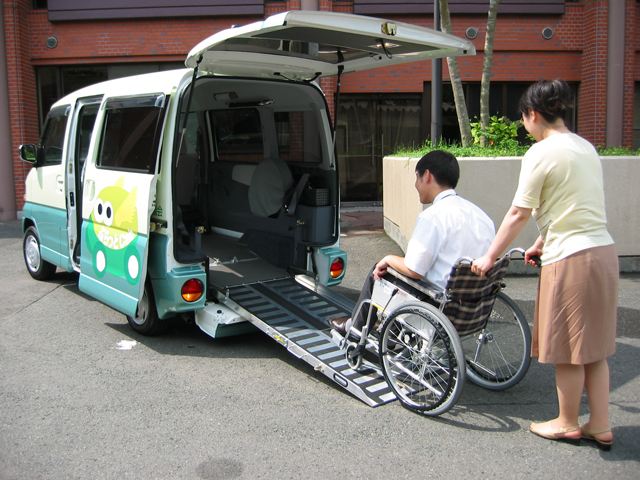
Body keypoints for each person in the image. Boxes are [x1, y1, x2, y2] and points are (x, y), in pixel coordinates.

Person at [471, 79, 618, 450]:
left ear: (533, 115)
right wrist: (540, 242)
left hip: (571, 259)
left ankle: (567, 422)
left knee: (568, 348)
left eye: (525, 121)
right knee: (594, 348)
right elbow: (572, 207)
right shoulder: (586, 148)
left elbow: (519, 212)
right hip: (602, 253)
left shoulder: (542, 152)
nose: (525, 128)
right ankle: (599, 424)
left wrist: (489, 256)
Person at [330, 149, 495, 335]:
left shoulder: (432, 217)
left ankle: (355, 328)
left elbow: (414, 270)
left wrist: (388, 258)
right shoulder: (482, 216)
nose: (416, 185)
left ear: (427, 175)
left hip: (436, 305)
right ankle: (387, 328)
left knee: (380, 271)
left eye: (417, 177)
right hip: (471, 307)